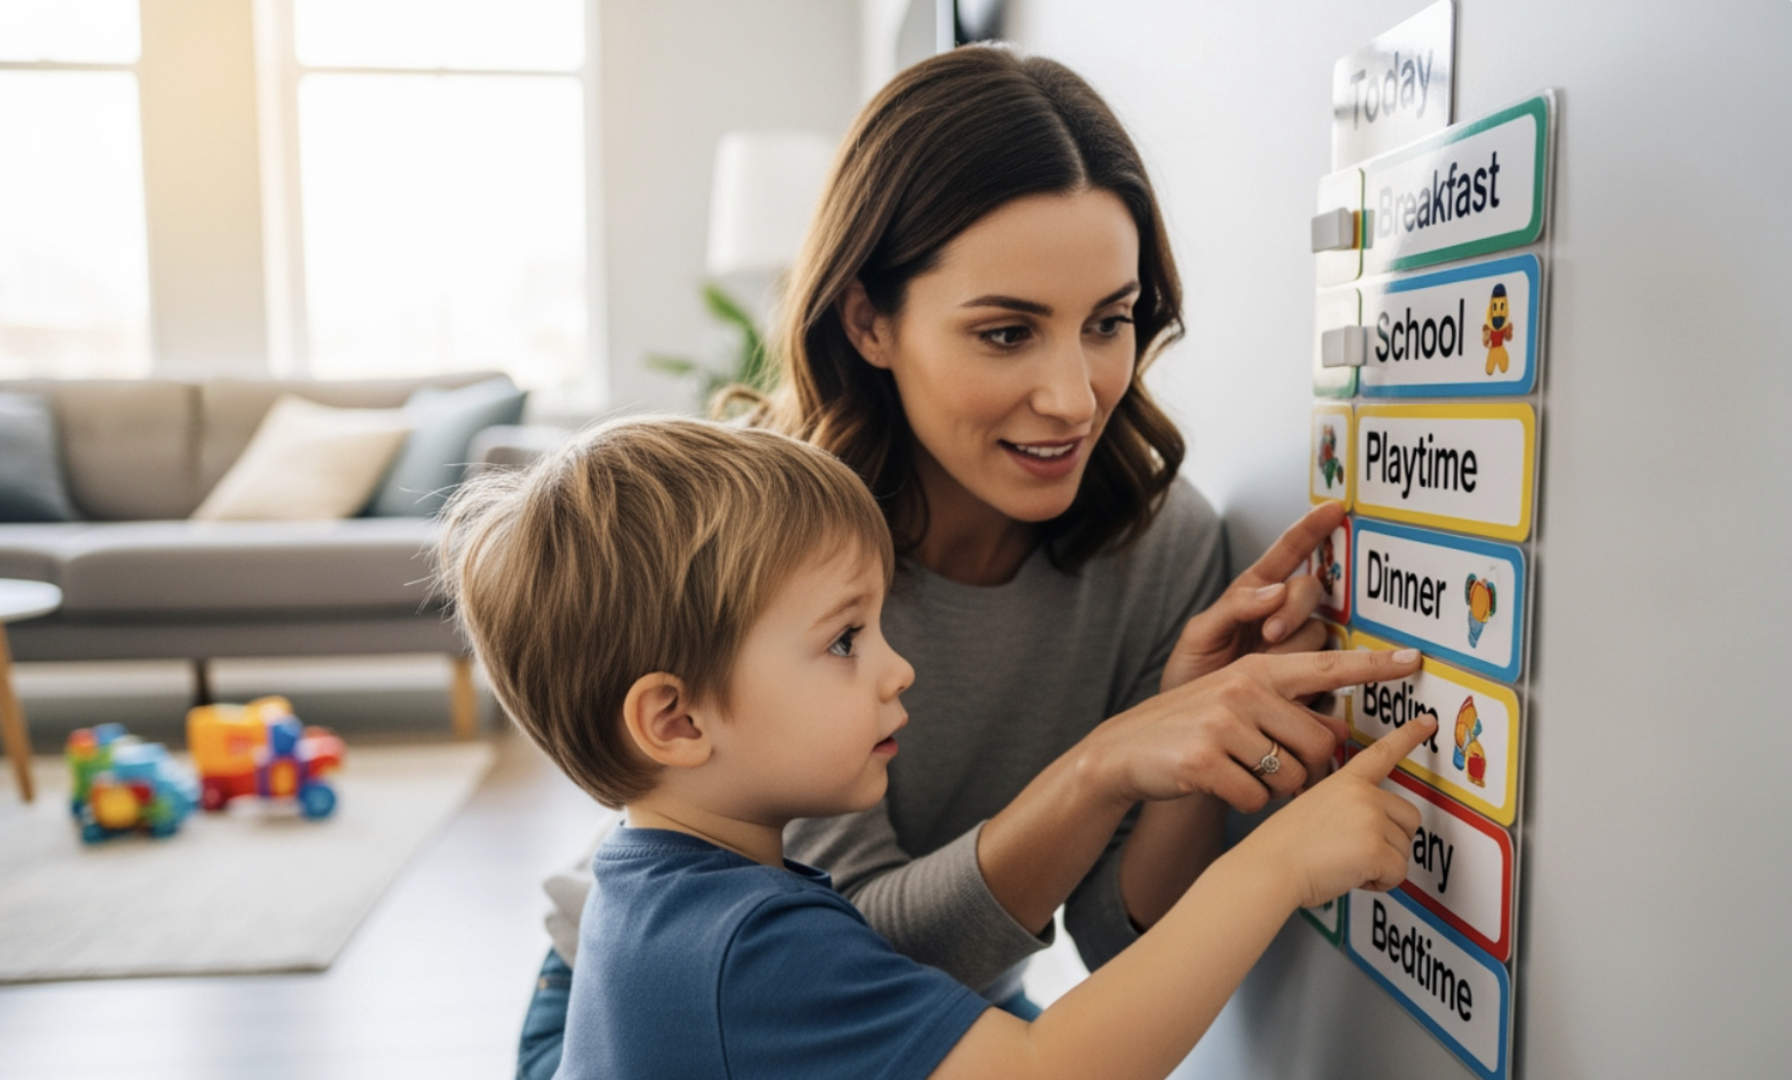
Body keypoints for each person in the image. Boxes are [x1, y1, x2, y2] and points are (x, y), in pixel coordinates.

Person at [516, 45, 1392, 1077]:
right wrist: (1105, 763)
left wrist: (1194, 752)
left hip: (939, 1011)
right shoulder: (787, 558)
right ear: (869, 321)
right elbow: (836, 951)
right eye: (1007, 332)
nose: (1073, 397)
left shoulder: (1163, 547)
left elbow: (1118, 939)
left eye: (1108, 322)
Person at [440, 415, 1434, 1080]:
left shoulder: (663, 887)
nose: (896, 669)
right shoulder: (744, 945)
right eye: (844, 640)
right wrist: (1279, 861)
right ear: (677, 721)